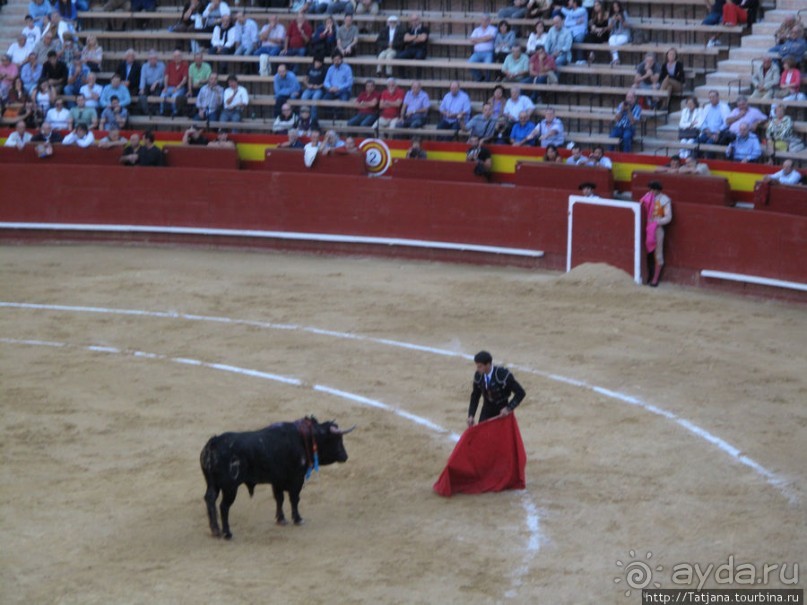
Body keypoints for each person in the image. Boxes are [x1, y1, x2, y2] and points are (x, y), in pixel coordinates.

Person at [467, 350, 525, 427]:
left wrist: (508, 408)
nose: (478, 369)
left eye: (480, 366)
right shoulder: (479, 376)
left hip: (503, 413)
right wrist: (471, 415)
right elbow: (475, 396)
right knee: (483, 436)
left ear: (488, 364)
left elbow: (520, 393)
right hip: (486, 411)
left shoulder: (502, 375)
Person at [640, 181, 672, 287]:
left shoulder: (664, 200)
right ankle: (647, 275)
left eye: (654, 189)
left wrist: (656, 222)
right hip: (645, 227)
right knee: (644, 252)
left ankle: (655, 278)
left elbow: (668, 217)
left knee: (658, 254)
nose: (652, 192)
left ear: (659, 190)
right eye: (651, 189)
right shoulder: (646, 196)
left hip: (657, 229)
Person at [468, 14, 497, 82]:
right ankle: (480, 78)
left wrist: (477, 40)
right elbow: (472, 40)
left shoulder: (493, 29)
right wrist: (484, 39)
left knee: (487, 66)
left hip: (488, 52)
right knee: (469, 64)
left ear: (489, 21)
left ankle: (487, 80)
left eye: (486, 20)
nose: (484, 21)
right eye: (482, 20)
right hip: (477, 53)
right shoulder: (476, 29)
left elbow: (490, 37)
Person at [160, 49, 188, 117]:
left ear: (181, 57)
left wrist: (178, 87)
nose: (177, 58)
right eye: (175, 56)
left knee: (174, 96)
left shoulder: (185, 65)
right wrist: (165, 87)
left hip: (180, 88)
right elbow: (166, 76)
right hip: (169, 87)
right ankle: (162, 111)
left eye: (178, 56)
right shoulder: (170, 65)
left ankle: (175, 112)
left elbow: (185, 79)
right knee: (162, 95)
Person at [138, 50, 165, 116]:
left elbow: (164, 78)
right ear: (148, 60)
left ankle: (155, 111)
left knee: (157, 95)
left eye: (154, 59)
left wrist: (156, 82)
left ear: (157, 59)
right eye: (151, 59)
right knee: (142, 96)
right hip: (147, 85)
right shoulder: (144, 66)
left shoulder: (162, 66)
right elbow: (143, 78)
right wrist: (142, 88)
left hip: (157, 85)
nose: (153, 60)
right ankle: (147, 112)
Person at [607, 0, 631, 65]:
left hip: (624, 34)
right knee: (611, 40)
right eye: (614, 7)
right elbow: (609, 29)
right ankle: (616, 60)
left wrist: (621, 20)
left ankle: (615, 59)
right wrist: (612, 20)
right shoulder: (611, 15)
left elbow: (628, 25)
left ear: (619, 7)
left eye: (617, 7)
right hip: (614, 34)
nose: (616, 9)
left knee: (612, 44)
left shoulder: (624, 13)